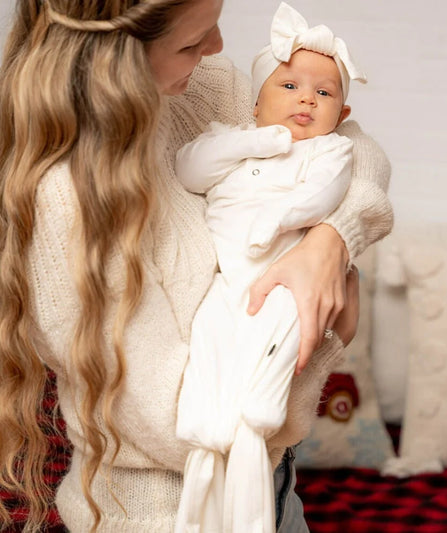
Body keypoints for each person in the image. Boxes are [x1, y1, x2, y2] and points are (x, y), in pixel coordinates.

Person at [0, 0, 393, 532]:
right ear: (118, 59)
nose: (217, 48)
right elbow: (185, 423)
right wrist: (329, 335)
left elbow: (352, 146)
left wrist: (329, 241)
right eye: (191, 41)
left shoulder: (200, 84)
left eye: (214, 24)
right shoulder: (65, 202)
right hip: (172, 516)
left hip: (274, 485)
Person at [174, 4, 367, 532]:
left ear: (342, 115)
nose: (306, 98)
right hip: (224, 278)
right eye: (289, 87)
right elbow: (189, 170)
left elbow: (327, 196)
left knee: (285, 320)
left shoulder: (329, 152)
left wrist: (285, 221)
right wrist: (256, 141)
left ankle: (260, 408)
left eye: (324, 94)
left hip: (281, 268)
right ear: (255, 102)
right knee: (209, 330)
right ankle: (207, 422)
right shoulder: (229, 140)